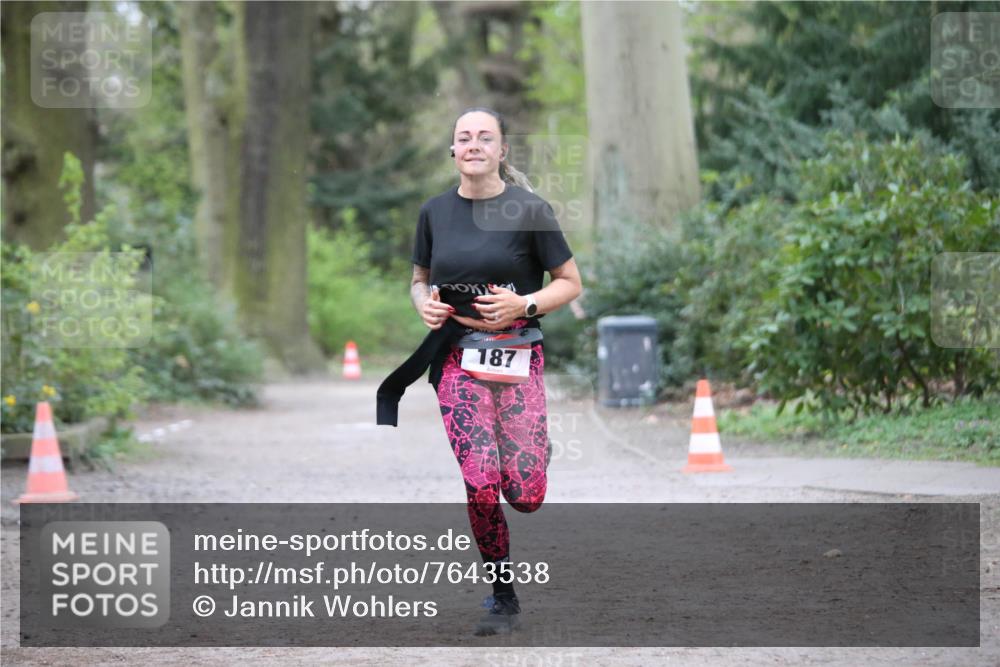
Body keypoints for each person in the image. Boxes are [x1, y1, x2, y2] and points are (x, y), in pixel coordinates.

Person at [379, 107, 582, 636]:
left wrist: (525, 306)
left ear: (501, 150)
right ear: (453, 150)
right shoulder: (434, 212)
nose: (473, 144)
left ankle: (534, 452)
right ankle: (501, 595)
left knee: (527, 495)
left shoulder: (530, 210)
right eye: (463, 137)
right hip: (456, 358)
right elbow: (420, 279)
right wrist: (422, 302)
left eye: (484, 137)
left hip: (517, 353)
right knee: (479, 479)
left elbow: (569, 282)